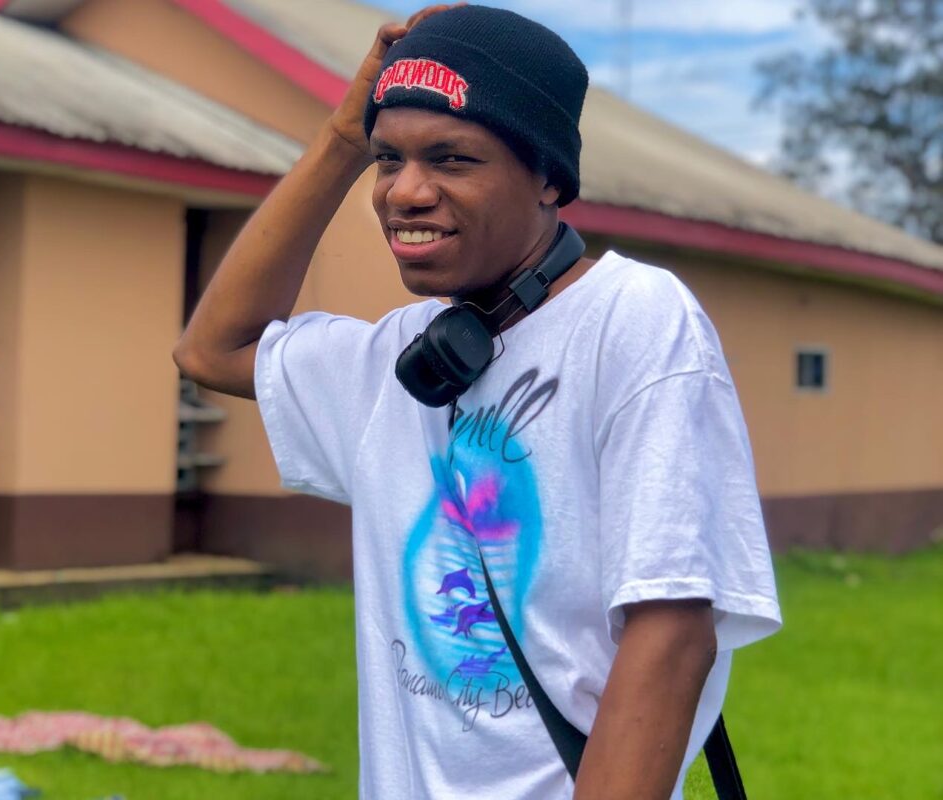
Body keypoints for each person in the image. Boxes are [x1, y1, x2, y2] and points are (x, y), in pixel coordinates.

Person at [174, 4, 782, 799]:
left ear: (548, 178)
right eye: (388, 160)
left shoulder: (631, 319)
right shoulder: (398, 358)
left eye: (452, 159)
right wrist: (341, 138)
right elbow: (212, 350)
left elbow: (669, 634)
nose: (404, 193)